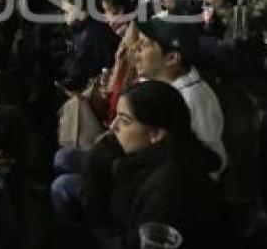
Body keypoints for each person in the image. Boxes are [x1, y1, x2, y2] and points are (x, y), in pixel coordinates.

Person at [84, 81, 224, 249]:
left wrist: (98, 224)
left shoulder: (171, 190)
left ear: (156, 133)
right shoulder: (157, 155)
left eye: (124, 120)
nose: (113, 126)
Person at [131, 19, 227, 173]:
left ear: (171, 59)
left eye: (144, 44)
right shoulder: (160, 83)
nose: (135, 49)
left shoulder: (190, 100)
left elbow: (209, 168)